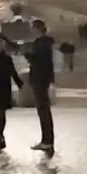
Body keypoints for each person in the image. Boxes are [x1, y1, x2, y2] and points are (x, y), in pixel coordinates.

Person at [24, 18, 56, 154]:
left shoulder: (41, 43)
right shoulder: (46, 43)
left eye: (33, 28)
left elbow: (38, 61)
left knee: (43, 111)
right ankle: (47, 140)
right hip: (43, 79)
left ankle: (47, 141)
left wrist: (27, 55)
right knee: (44, 110)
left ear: (37, 29)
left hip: (39, 79)